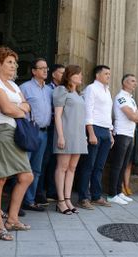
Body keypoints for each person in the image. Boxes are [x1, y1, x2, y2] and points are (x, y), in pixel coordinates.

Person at [0, 46, 34, 241]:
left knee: (26, 176)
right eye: (10, 62)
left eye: (15, 62)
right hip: (0, 132)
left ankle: (12, 219)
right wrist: (19, 109)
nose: (14, 66)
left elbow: (27, 107)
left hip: (15, 132)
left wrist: (18, 109)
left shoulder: (14, 85)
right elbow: (5, 108)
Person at [53, 65, 88, 214]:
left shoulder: (78, 94)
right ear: (70, 75)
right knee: (62, 167)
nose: (81, 77)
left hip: (79, 135)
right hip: (66, 133)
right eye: (78, 74)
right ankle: (60, 201)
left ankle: (68, 199)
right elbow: (58, 115)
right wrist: (60, 135)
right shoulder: (61, 90)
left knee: (72, 168)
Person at [77, 65, 113, 209]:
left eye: (109, 74)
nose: (108, 76)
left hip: (105, 130)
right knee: (88, 165)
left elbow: (107, 113)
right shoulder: (91, 88)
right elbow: (88, 110)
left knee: (99, 166)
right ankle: (83, 197)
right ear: (97, 75)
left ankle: (96, 196)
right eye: (106, 74)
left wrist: (110, 133)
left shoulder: (107, 91)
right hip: (94, 128)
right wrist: (90, 132)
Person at [19, 58, 53, 212]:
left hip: (44, 133)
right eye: (42, 68)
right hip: (29, 132)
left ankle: (29, 200)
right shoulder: (24, 88)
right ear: (34, 71)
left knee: (36, 169)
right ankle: (17, 201)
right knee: (23, 167)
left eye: (46, 68)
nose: (45, 70)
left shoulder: (49, 90)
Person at [107, 74, 138, 205]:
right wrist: (135, 116)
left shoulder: (131, 99)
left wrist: (135, 116)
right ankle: (111, 194)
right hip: (121, 133)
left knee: (124, 165)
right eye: (132, 81)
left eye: (135, 81)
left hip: (130, 134)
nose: (135, 83)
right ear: (124, 83)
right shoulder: (121, 97)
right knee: (117, 165)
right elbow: (133, 116)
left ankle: (118, 191)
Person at [35, 64, 65, 205]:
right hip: (48, 126)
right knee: (43, 160)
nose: (64, 76)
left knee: (55, 160)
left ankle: (52, 190)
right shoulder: (49, 89)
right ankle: (39, 191)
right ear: (54, 74)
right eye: (61, 73)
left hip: (59, 128)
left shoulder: (63, 90)